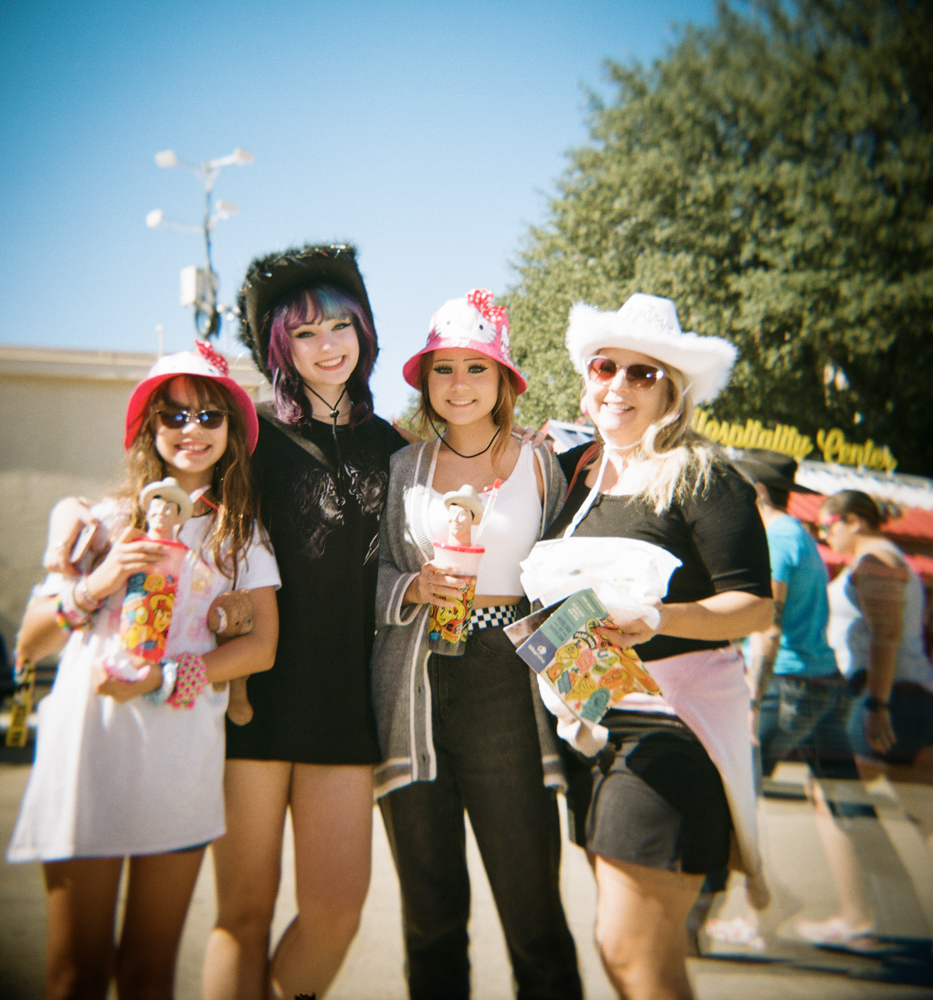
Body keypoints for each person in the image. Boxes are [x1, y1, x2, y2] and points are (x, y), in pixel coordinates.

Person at [7, 342, 281, 1000]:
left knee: (149, 977)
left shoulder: (241, 537)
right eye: (175, 415)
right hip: (90, 753)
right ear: (147, 427)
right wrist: (100, 579)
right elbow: (31, 643)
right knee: (75, 974)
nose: (192, 431)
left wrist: (163, 680)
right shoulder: (97, 520)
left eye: (210, 416)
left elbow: (260, 649)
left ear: (233, 433)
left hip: (179, 760)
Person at [538, 293, 773, 1000]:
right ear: (586, 380)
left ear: (673, 392)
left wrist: (658, 617)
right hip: (593, 720)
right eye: (607, 367)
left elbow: (754, 607)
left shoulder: (705, 476)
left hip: (675, 726)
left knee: (630, 951)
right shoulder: (579, 476)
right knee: (642, 959)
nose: (619, 385)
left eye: (644, 374)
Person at [202, 244, 407, 1000]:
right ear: (280, 348)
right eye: (306, 333)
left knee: (336, 911)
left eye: (340, 327)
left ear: (364, 333)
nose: (328, 346)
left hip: (345, 706)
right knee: (243, 913)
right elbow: (184, 506)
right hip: (251, 697)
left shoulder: (394, 448)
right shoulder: (249, 435)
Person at [371, 289, 582, 1000]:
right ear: (426, 382)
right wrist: (411, 589)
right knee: (430, 921)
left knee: (533, 914)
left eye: (476, 368)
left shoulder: (546, 464)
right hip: (416, 682)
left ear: (504, 382)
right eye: (444, 369)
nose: (459, 385)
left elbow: (573, 576)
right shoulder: (404, 470)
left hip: (509, 680)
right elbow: (366, 580)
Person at [704, 450, 873, 951]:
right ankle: (861, 916)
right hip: (822, 682)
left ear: (754, 492)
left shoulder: (773, 537)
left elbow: (766, 626)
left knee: (731, 801)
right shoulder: (797, 534)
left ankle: (706, 923)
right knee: (836, 802)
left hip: (786, 685)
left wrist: (753, 702)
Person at [818, 489, 933, 931]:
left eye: (828, 525)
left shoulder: (877, 562)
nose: (825, 536)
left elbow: (886, 636)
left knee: (832, 795)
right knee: (921, 811)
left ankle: (858, 916)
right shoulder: (888, 560)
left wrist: (877, 706)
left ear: (854, 521)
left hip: (887, 697)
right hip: (905, 695)